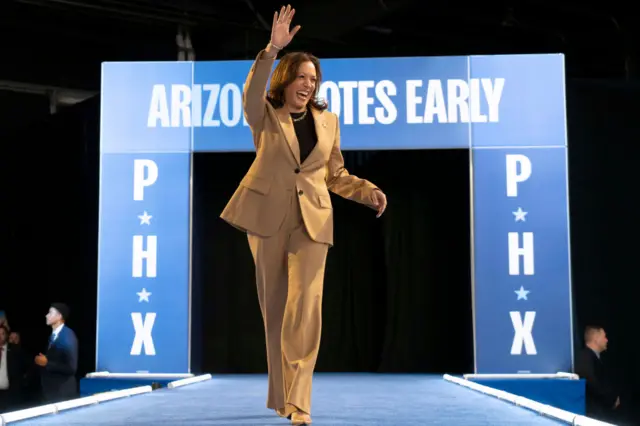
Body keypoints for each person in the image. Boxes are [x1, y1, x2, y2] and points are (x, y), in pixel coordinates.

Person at [220, 4, 387, 425]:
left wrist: (365, 191)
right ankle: (281, 396)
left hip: (313, 221)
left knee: (305, 309)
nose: (308, 85)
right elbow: (252, 89)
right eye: (301, 77)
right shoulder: (265, 116)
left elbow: (335, 174)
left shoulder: (328, 121)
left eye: (314, 80)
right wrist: (272, 49)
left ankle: (300, 403)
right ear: (286, 78)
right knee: (275, 311)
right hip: (265, 218)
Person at [574, 326, 619, 422]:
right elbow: (591, 382)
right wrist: (611, 399)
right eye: (604, 337)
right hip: (591, 415)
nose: (607, 340)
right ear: (596, 339)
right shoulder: (585, 357)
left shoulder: (594, 358)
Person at [35, 303, 78, 403]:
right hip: (51, 392)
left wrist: (47, 363)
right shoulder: (53, 336)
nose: (46, 315)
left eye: (50, 313)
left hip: (61, 394)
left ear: (59, 316)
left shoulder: (67, 335)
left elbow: (71, 368)